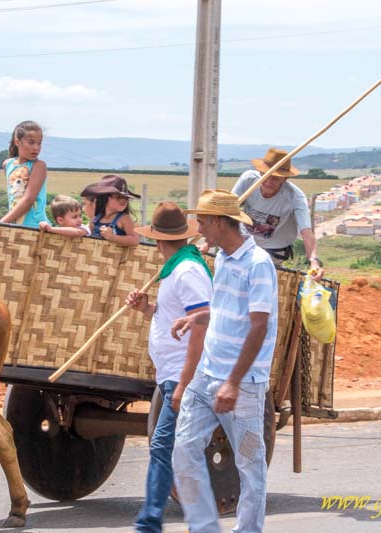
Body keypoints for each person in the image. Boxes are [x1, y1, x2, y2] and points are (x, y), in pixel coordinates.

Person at [171, 189, 278, 533]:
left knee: (250, 463)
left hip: (243, 389)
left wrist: (233, 381)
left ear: (218, 222)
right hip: (204, 379)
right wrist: (198, 319)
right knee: (184, 451)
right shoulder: (224, 257)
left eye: (202, 221)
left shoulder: (258, 264)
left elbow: (259, 326)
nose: (198, 228)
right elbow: (223, 309)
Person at [126, 202, 213, 533]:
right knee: (180, 448)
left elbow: (202, 325)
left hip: (186, 375)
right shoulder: (176, 271)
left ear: (158, 241)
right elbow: (175, 319)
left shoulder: (187, 272)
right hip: (172, 375)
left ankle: (149, 522)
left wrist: (184, 383)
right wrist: (146, 308)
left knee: (166, 446)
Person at [231, 147, 323, 280]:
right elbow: (228, 211)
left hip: (273, 251)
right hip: (244, 243)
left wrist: (314, 261)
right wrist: (208, 243)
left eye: (275, 178)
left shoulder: (295, 197)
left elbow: (306, 232)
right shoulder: (248, 181)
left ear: (285, 179)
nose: (268, 182)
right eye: (266, 176)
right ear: (260, 172)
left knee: (262, 283)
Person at [0, 120, 50, 227]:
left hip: (36, 227)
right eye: (31, 142)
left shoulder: (39, 166)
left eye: (39, 143)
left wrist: (1, 223)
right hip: (16, 226)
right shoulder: (7, 164)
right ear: (17, 142)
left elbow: (28, 200)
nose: (36, 148)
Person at [83, 174, 140, 246]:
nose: (124, 200)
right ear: (104, 198)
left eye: (126, 198)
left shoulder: (124, 219)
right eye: (118, 197)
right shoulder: (95, 220)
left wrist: (112, 237)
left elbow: (135, 240)